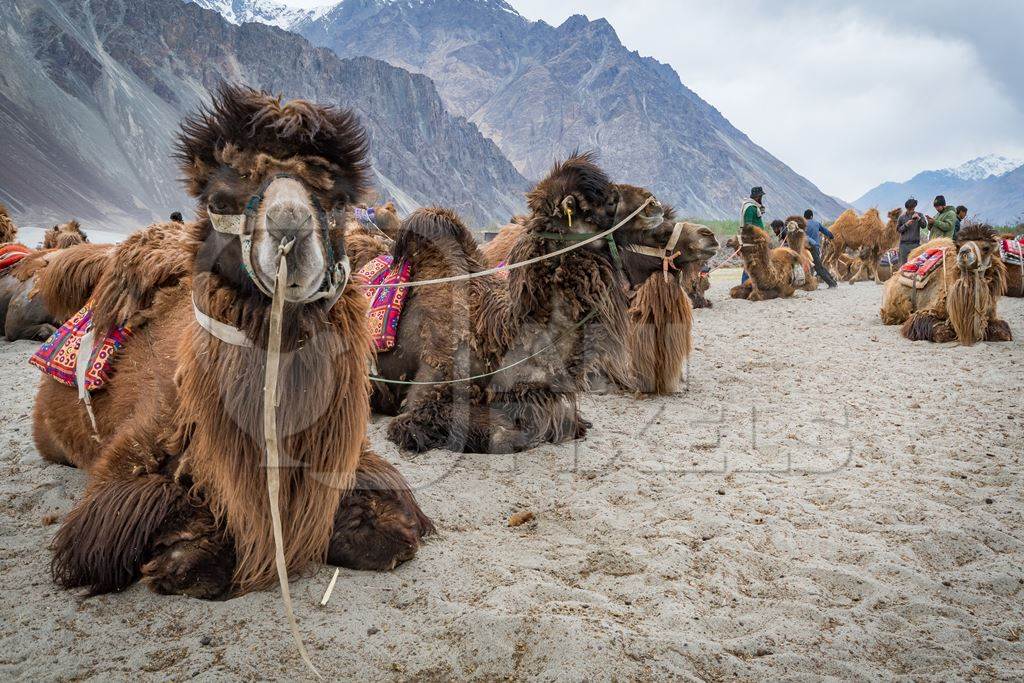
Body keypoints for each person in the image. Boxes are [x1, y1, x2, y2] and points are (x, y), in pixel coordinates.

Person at [802, 209, 838, 288]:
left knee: (808, 267)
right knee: (818, 267)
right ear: (811, 216)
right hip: (814, 248)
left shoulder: (802, 224)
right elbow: (827, 232)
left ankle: (832, 283)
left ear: (804, 217)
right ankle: (831, 283)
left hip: (804, 249)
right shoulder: (817, 223)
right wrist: (831, 236)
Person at [740, 186, 766, 284]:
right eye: (760, 196)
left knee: (755, 261)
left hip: (756, 239)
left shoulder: (754, 207)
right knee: (751, 261)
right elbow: (748, 225)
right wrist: (754, 238)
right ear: (758, 197)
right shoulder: (750, 208)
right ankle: (745, 283)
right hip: (753, 240)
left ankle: (751, 282)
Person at [896, 198, 926, 266]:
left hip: (915, 245)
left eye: (912, 208)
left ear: (914, 207)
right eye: (909, 209)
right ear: (906, 208)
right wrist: (906, 225)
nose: (910, 210)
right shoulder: (901, 217)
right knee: (903, 266)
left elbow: (924, 226)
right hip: (904, 245)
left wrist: (919, 219)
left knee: (916, 265)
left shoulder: (919, 215)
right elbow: (898, 230)